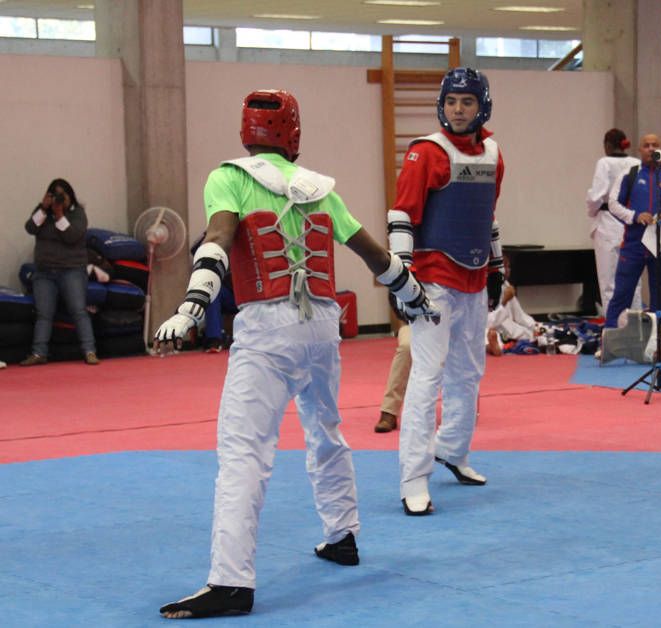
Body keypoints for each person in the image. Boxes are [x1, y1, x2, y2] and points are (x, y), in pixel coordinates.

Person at [154, 89, 439, 619]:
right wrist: (413, 296)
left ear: (248, 130)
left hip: (267, 327)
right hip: (323, 328)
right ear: (293, 133)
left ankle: (231, 580)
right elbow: (374, 253)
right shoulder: (318, 189)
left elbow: (216, 242)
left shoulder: (230, 177)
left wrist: (193, 306)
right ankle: (343, 535)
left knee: (244, 452)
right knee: (325, 429)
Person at [387, 67, 505, 516]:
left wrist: (497, 266)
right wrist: (401, 279)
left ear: (482, 106)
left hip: (474, 278)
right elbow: (402, 215)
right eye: (452, 101)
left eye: (467, 102)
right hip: (433, 279)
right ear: (442, 104)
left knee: (470, 372)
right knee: (426, 376)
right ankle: (413, 477)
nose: (458, 110)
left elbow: (489, 214)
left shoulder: (494, 153)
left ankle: (453, 448)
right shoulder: (426, 153)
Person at [605, 134, 661, 330]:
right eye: (646, 145)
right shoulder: (630, 174)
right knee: (622, 294)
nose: (651, 149)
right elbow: (613, 203)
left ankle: (658, 338)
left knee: (660, 297)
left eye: (655, 145)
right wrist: (635, 216)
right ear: (639, 150)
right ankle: (610, 336)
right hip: (633, 246)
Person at [21, 178, 99, 366]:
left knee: (78, 310)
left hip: (71, 270)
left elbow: (72, 236)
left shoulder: (77, 214)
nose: (57, 199)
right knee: (44, 313)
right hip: (45, 272)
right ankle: (39, 353)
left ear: (70, 197)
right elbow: (30, 228)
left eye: (61, 195)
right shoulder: (42, 213)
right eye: (53, 195)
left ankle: (90, 351)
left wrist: (59, 215)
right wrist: (43, 207)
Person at [586, 128, 642, 318]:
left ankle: (614, 326)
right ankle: (636, 325)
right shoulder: (637, 163)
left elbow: (597, 195)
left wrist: (591, 210)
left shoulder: (604, 163)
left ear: (608, 145)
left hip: (608, 223)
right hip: (632, 223)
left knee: (609, 280)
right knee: (633, 279)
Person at [485, 254, 539, 356]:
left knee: (531, 334)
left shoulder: (506, 285)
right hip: (489, 326)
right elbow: (488, 321)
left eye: (509, 267)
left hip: (505, 326)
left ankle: (501, 345)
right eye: (505, 267)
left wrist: (534, 326)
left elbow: (519, 315)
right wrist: (504, 302)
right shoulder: (486, 288)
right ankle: (492, 347)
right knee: (485, 333)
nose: (508, 270)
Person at [373, 322, 410, 433]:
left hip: (452, 321)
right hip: (415, 322)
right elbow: (396, 306)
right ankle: (389, 411)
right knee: (407, 347)